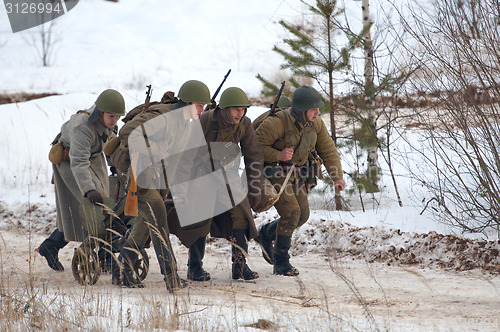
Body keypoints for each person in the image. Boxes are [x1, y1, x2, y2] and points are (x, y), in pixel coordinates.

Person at [110, 80, 211, 291]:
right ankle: (171, 277)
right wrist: (154, 148)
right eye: (199, 105)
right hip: (140, 173)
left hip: (156, 178)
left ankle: (121, 270)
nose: (202, 111)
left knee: (144, 226)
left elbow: (172, 162)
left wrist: (166, 191)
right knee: (160, 226)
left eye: (203, 106)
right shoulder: (165, 118)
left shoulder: (185, 126)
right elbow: (128, 131)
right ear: (187, 103)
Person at [168, 87, 264, 281]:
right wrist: (182, 188)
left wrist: (255, 188)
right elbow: (186, 156)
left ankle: (240, 267)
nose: (241, 113)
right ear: (225, 109)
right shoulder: (205, 121)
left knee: (243, 217)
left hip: (227, 177)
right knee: (200, 219)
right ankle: (195, 267)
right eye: (236, 109)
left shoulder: (244, 124)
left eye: (243, 109)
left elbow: (254, 157)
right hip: (200, 176)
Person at [255, 86, 345, 276]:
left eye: (318, 109)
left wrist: (337, 176)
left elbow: (327, 149)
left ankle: (266, 233)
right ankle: (281, 263)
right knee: (292, 213)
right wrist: (278, 154)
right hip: (274, 172)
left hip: (297, 174)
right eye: (313, 109)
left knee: (302, 216)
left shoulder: (316, 124)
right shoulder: (277, 123)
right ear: (302, 109)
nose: (317, 113)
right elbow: (254, 146)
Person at [37, 89, 125, 271]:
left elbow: (109, 146)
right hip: (69, 161)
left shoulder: (110, 124)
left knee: (104, 205)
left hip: (92, 159)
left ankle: (54, 245)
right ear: (100, 113)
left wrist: (116, 165)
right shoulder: (82, 128)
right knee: (90, 206)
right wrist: (88, 189)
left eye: (117, 116)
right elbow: (78, 161)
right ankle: (54, 246)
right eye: (111, 116)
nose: (114, 120)